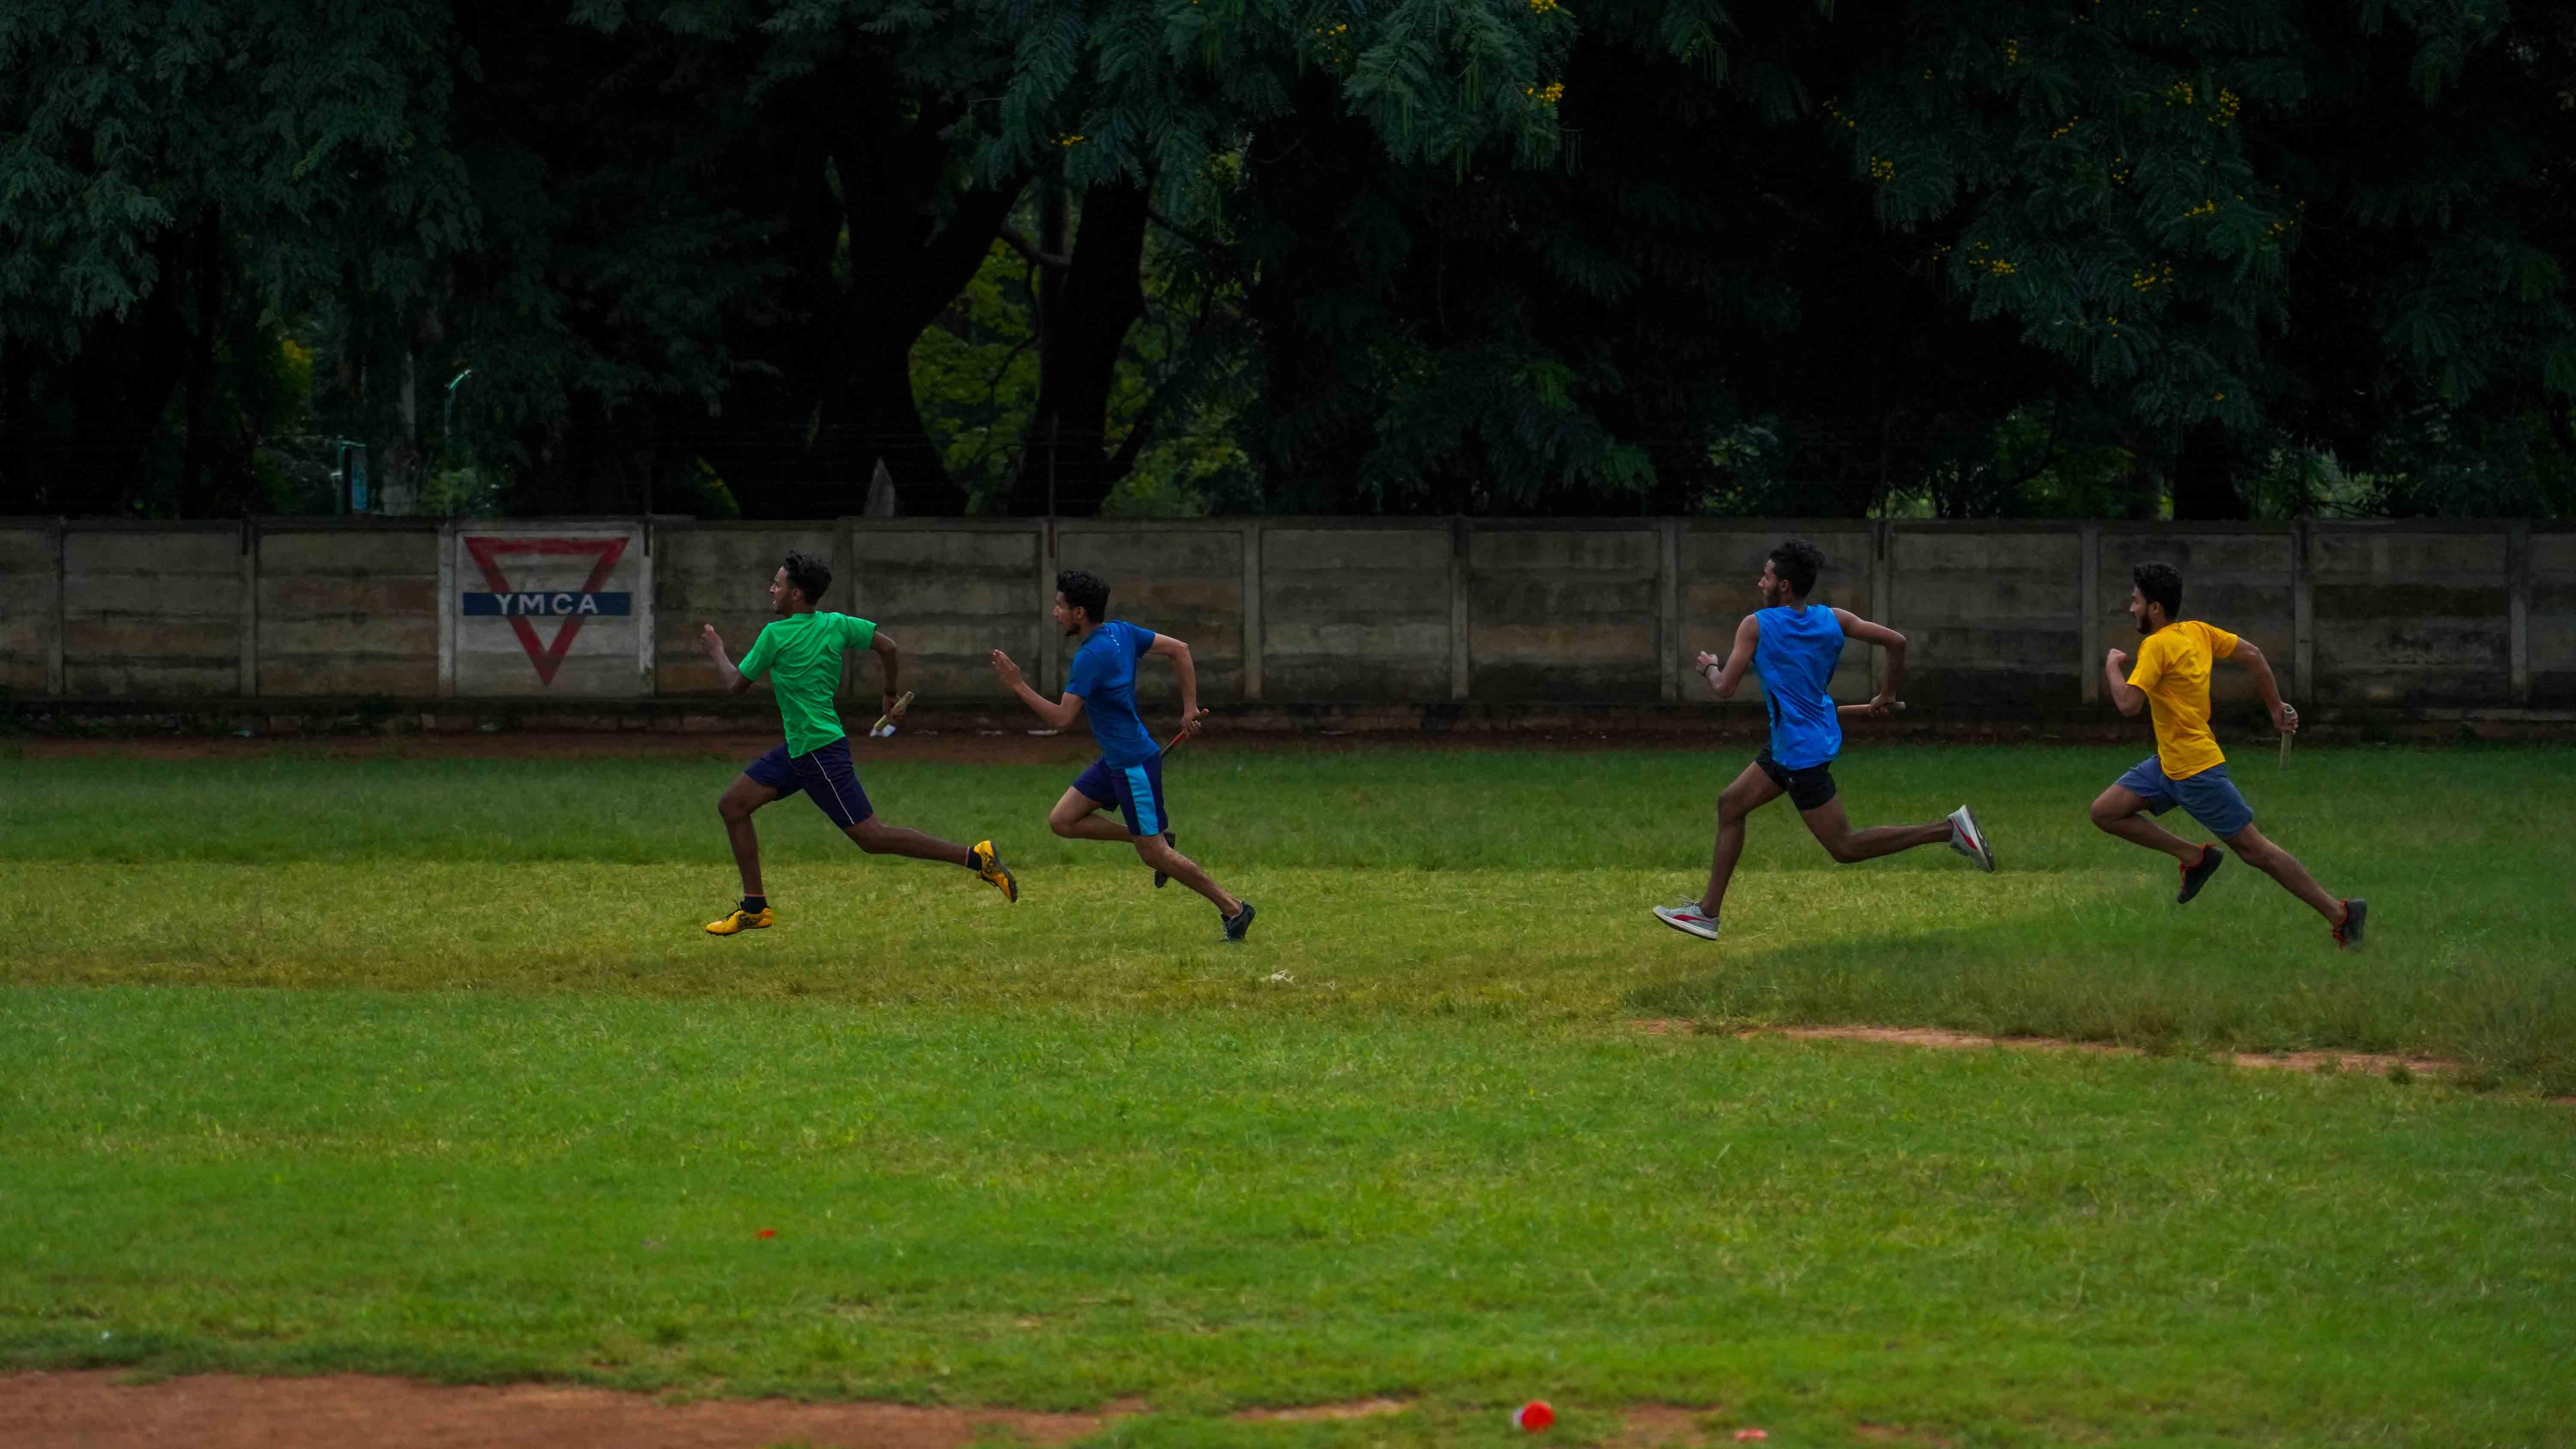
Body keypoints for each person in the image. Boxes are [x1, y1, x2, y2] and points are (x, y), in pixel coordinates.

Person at [1654, 539, 1996, 941]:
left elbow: (1725, 688)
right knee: (1731, 804)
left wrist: (1710, 668)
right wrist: (1885, 695)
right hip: (1795, 743)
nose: (1759, 582)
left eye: (1766, 576)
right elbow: (1897, 643)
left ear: (1783, 586)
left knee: (1845, 848)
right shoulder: (1835, 619)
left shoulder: (1757, 625)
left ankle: (1949, 830)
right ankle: (1707, 913)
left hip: (1800, 755)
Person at [697, 551, 1016, 934]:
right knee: (733, 806)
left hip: (817, 753)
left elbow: (735, 686)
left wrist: (716, 649)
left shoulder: (774, 635)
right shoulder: (838, 624)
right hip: (800, 749)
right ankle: (755, 908)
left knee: (872, 838)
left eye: (778, 584)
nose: (772, 589)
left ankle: (976, 858)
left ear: (796, 594)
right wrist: (889, 694)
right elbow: (890, 647)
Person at [2090, 562, 2365, 946]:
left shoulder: (2155, 646)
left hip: (2196, 771)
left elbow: (2128, 704)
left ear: (2155, 608)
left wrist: (2112, 667)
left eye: (2136, 601)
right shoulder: (2199, 632)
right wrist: (2275, 708)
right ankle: (2195, 857)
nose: (2130, 608)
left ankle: (2342, 914)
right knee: (2105, 812)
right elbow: (2253, 654)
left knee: (2257, 851)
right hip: (2169, 763)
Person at [989, 568, 1256, 943]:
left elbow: (1063, 718)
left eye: (1060, 606)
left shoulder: (1090, 657)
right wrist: (1189, 708)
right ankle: (1150, 837)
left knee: (1156, 855)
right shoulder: (1121, 632)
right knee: (1063, 820)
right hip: (1116, 761)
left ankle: (1234, 908)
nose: (1055, 613)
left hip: (1133, 767)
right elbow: (1180, 649)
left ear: (1079, 612)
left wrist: (1018, 685)